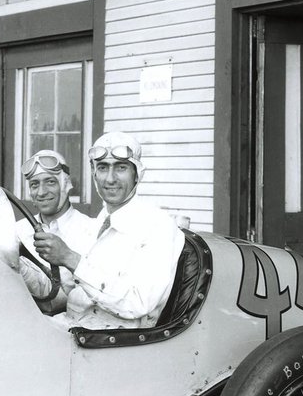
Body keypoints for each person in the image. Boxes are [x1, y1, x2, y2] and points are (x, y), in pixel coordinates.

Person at [33, 130, 185, 330]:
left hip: (112, 344)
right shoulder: (102, 220)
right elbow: (72, 290)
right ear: (94, 173)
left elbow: (137, 303)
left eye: (121, 168)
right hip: (73, 329)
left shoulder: (158, 226)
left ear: (137, 174)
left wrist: (70, 258)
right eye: (103, 168)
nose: (110, 179)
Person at [14, 149, 96, 312]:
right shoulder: (18, 230)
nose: (42, 192)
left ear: (65, 184)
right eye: (35, 184)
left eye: (50, 182)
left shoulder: (91, 230)